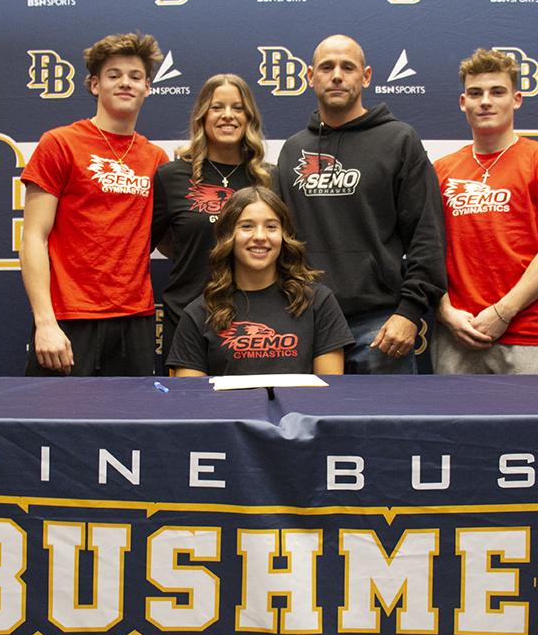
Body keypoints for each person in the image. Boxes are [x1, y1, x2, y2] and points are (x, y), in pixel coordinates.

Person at [275, 34, 446, 374]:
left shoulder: (399, 141)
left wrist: (409, 312)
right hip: (305, 322)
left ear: (366, 76)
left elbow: (426, 235)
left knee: (383, 427)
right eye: (327, 67)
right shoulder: (293, 150)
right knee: (308, 426)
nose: (337, 75)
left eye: (347, 67)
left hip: (379, 327)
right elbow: (280, 241)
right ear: (310, 76)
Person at [19, 31, 168, 376]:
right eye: (113, 75)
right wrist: (45, 322)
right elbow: (33, 238)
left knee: (132, 427)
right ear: (94, 84)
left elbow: (169, 239)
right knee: (55, 426)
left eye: (135, 76)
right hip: (70, 319)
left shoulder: (157, 158)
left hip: (135, 320)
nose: (125, 83)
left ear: (148, 86)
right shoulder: (59, 144)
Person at [431, 48, 538, 375]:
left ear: (516, 99)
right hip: (458, 335)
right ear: (463, 102)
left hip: (527, 334)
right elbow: (427, 251)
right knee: (457, 428)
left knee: (534, 428)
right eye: (475, 93)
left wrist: (503, 312)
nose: (485, 101)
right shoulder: (441, 170)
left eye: (497, 92)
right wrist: (445, 311)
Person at [150, 74, 271, 373]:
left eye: (237, 108)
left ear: (249, 117)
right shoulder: (171, 176)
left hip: (252, 322)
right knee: (188, 413)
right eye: (217, 107)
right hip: (186, 316)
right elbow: (160, 242)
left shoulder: (269, 178)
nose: (227, 115)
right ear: (203, 115)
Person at [167, 187, 354, 377]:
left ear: (284, 235)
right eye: (247, 226)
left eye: (271, 226)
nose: (260, 236)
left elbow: (328, 392)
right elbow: (192, 398)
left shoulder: (317, 302)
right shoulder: (198, 313)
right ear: (227, 235)